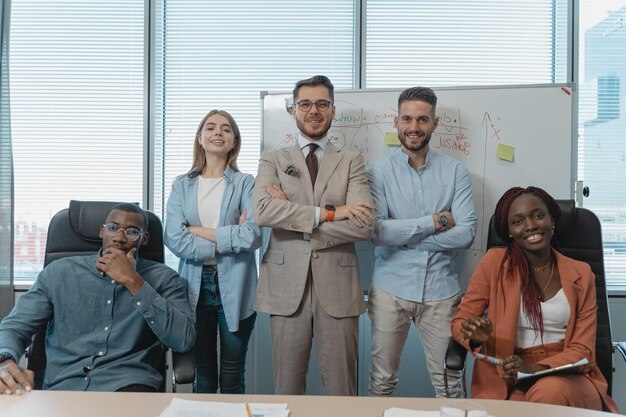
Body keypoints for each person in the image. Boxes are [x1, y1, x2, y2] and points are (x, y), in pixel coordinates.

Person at [252, 75, 374, 396]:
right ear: (294, 111)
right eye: (305, 104)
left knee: (342, 392)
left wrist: (291, 213)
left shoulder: (351, 161)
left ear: (333, 110)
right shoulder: (273, 159)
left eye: (322, 103)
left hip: (338, 287)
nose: (313, 111)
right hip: (285, 287)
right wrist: (330, 214)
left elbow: (363, 225)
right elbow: (263, 212)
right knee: (288, 391)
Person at [451, 186, 619, 412]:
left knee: (547, 391)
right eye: (518, 221)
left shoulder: (582, 273)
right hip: (508, 374)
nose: (530, 226)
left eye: (538, 216)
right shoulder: (494, 263)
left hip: (566, 374)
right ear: (509, 231)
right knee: (526, 405)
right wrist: (475, 337)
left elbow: (583, 349)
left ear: (552, 220)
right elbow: (459, 322)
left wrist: (535, 368)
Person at [0, 203, 195, 394]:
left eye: (132, 231)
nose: (119, 238)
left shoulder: (165, 278)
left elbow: (183, 340)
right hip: (63, 388)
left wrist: (133, 281)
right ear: (102, 232)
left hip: (128, 387)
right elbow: (15, 327)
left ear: (144, 239)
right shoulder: (58, 273)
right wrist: (5, 360)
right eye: (112, 228)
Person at [366, 86, 477, 398]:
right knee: (382, 382)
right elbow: (377, 233)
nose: (414, 127)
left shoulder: (456, 172)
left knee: (450, 385)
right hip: (390, 290)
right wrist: (435, 222)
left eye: (422, 120)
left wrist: (407, 240)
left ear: (434, 123)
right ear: (397, 122)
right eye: (407, 119)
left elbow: (466, 233)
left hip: (441, 292)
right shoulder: (378, 172)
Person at [164, 110, 261, 394]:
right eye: (210, 128)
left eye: (226, 129)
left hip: (238, 285)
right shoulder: (181, 185)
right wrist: (228, 237)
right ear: (200, 139)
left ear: (234, 142)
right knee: (203, 376)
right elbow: (173, 237)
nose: (218, 133)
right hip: (195, 285)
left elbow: (253, 235)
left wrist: (197, 230)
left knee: (232, 377)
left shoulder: (246, 183)